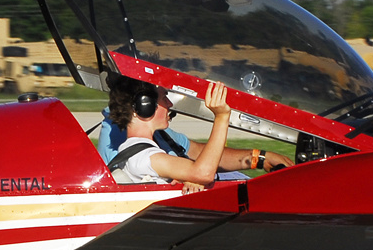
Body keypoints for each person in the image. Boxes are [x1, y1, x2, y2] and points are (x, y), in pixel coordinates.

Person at [101, 75, 291, 188]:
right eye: (163, 97)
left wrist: (257, 157)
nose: (169, 104)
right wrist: (222, 117)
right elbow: (203, 173)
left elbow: (199, 162)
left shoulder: (136, 147)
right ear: (145, 105)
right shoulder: (145, 156)